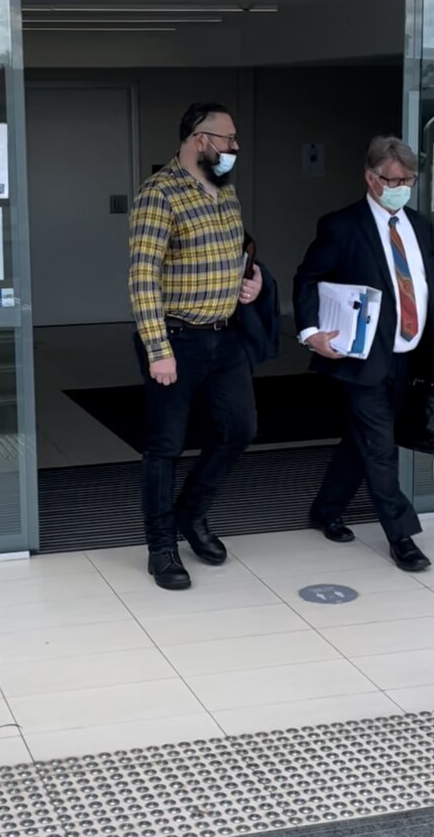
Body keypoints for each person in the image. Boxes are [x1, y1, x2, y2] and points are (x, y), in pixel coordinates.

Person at [293, 135, 434, 573]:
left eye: (408, 179)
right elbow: (308, 278)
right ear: (370, 177)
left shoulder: (419, 226)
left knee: (362, 442)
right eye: (391, 179)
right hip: (363, 359)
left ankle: (325, 509)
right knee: (381, 449)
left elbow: (423, 289)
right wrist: (310, 332)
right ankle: (402, 538)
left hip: (410, 355)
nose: (399, 186)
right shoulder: (342, 227)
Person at [129, 102, 262, 591]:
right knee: (164, 446)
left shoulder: (225, 193)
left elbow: (238, 247)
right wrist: (157, 348)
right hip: (175, 338)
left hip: (223, 337)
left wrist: (253, 281)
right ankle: (161, 546)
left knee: (239, 429)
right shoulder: (159, 194)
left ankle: (192, 513)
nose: (234, 149)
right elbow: (142, 277)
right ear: (200, 139)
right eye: (228, 139)